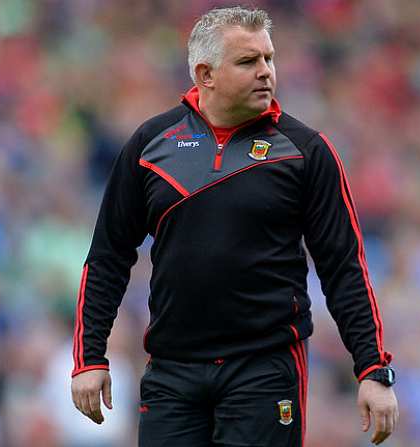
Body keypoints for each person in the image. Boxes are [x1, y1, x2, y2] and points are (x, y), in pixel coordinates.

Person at [70, 6, 398, 446]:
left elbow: (344, 268)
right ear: (205, 74)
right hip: (172, 370)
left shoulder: (306, 152)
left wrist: (373, 369)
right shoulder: (151, 146)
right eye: (248, 61)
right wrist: (90, 358)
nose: (266, 72)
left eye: (269, 58)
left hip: (264, 369)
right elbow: (107, 258)